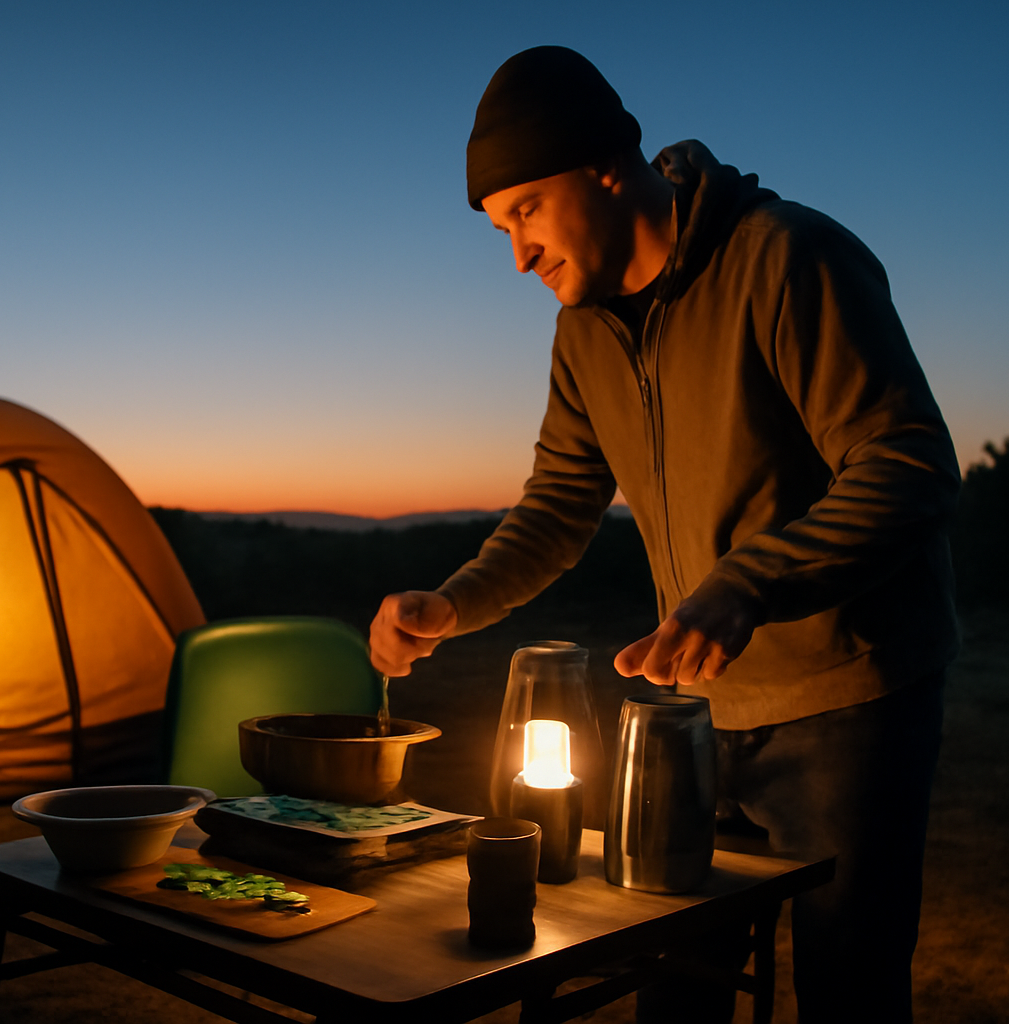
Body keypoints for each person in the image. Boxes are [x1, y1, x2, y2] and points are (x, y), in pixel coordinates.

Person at [369, 46, 959, 1023]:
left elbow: (907, 465)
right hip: (689, 714)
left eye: (525, 211)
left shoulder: (787, 257)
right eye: (498, 226)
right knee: (673, 977)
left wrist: (749, 583)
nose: (516, 254)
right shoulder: (583, 329)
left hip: (847, 698)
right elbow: (560, 503)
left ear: (605, 166)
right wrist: (455, 600)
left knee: (847, 986)